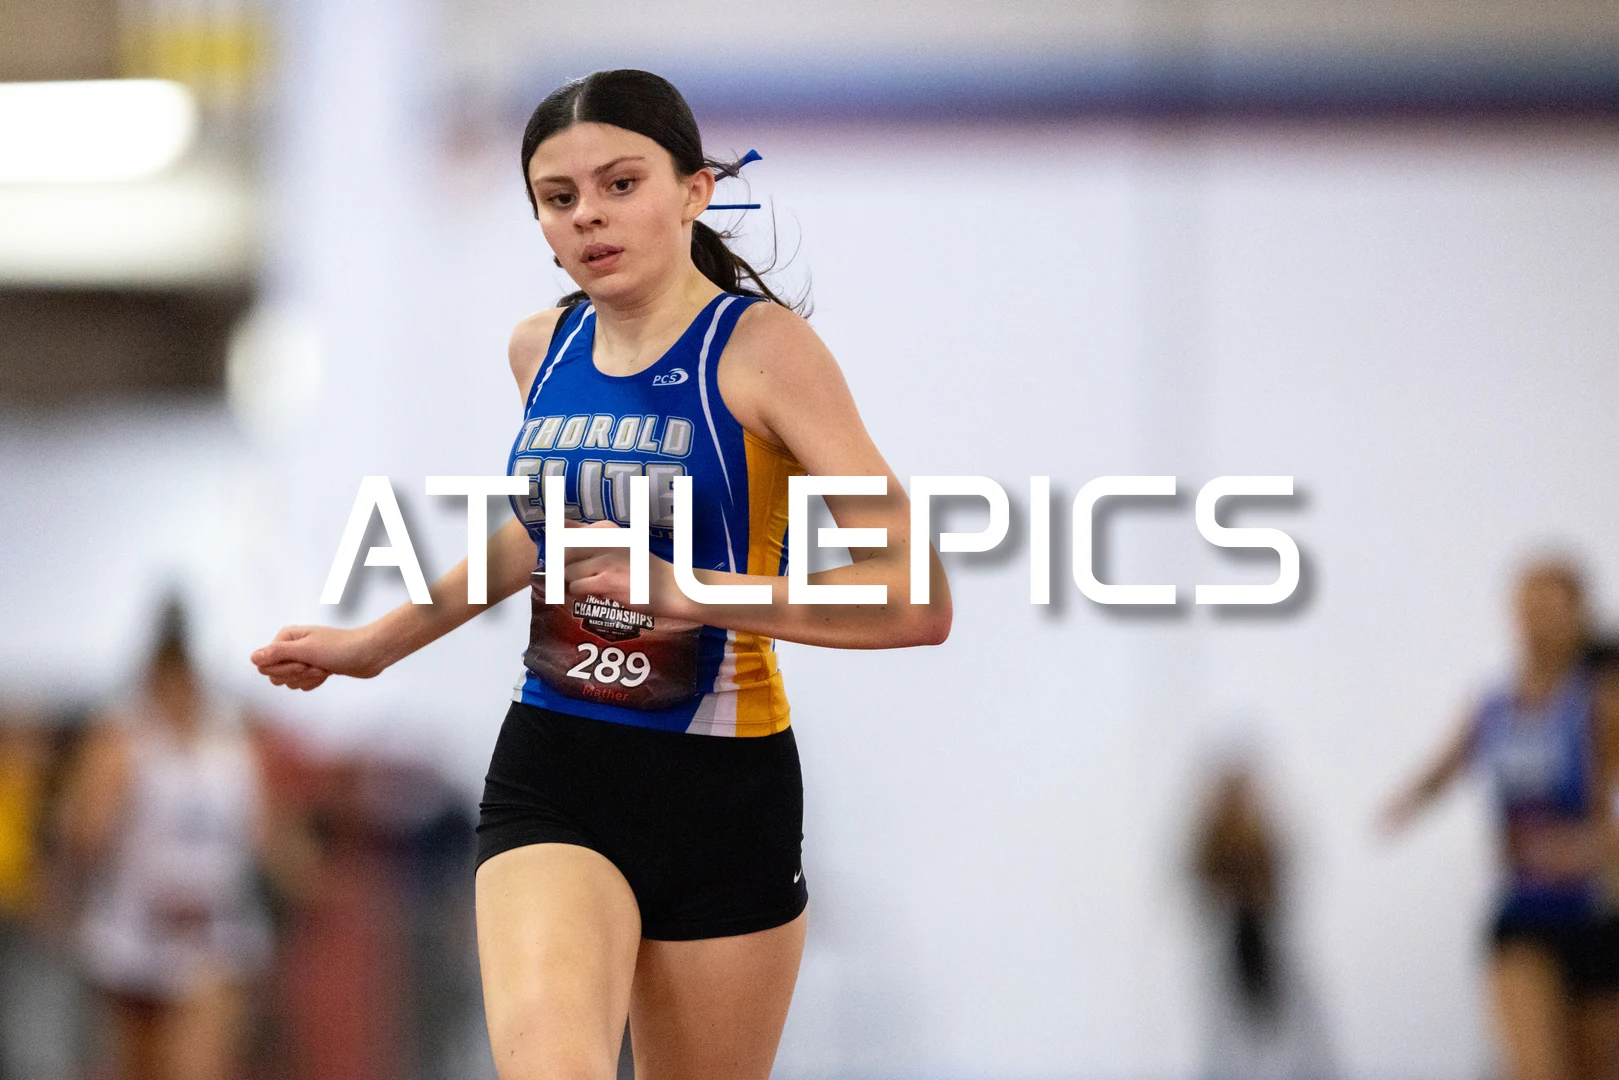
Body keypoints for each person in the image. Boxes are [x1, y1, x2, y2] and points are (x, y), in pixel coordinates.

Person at [250, 68, 952, 1080]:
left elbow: (912, 597)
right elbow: (544, 532)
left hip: (725, 793)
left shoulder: (764, 352)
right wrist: (376, 643)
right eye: (558, 196)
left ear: (693, 191)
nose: (588, 215)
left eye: (620, 184)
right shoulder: (542, 348)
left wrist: (684, 590)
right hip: (556, 770)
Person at [1382, 559, 1608, 1080]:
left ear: (1577, 616)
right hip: (1523, 913)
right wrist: (1405, 805)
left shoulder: (1599, 704)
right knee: (1536, 1066)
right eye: (1528, 607)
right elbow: (1446, 766)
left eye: (1550, 608)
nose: (1537, 622)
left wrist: (1592, 845)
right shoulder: (1493, 707)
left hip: (1595, 913)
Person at [56, 600, 301, 1080]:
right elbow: (82, 836)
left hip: (212, 933)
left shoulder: (236, 742)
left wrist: (299, 871)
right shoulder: (122, 739)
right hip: (133, 932)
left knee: (194, 1064)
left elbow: (270, 837)